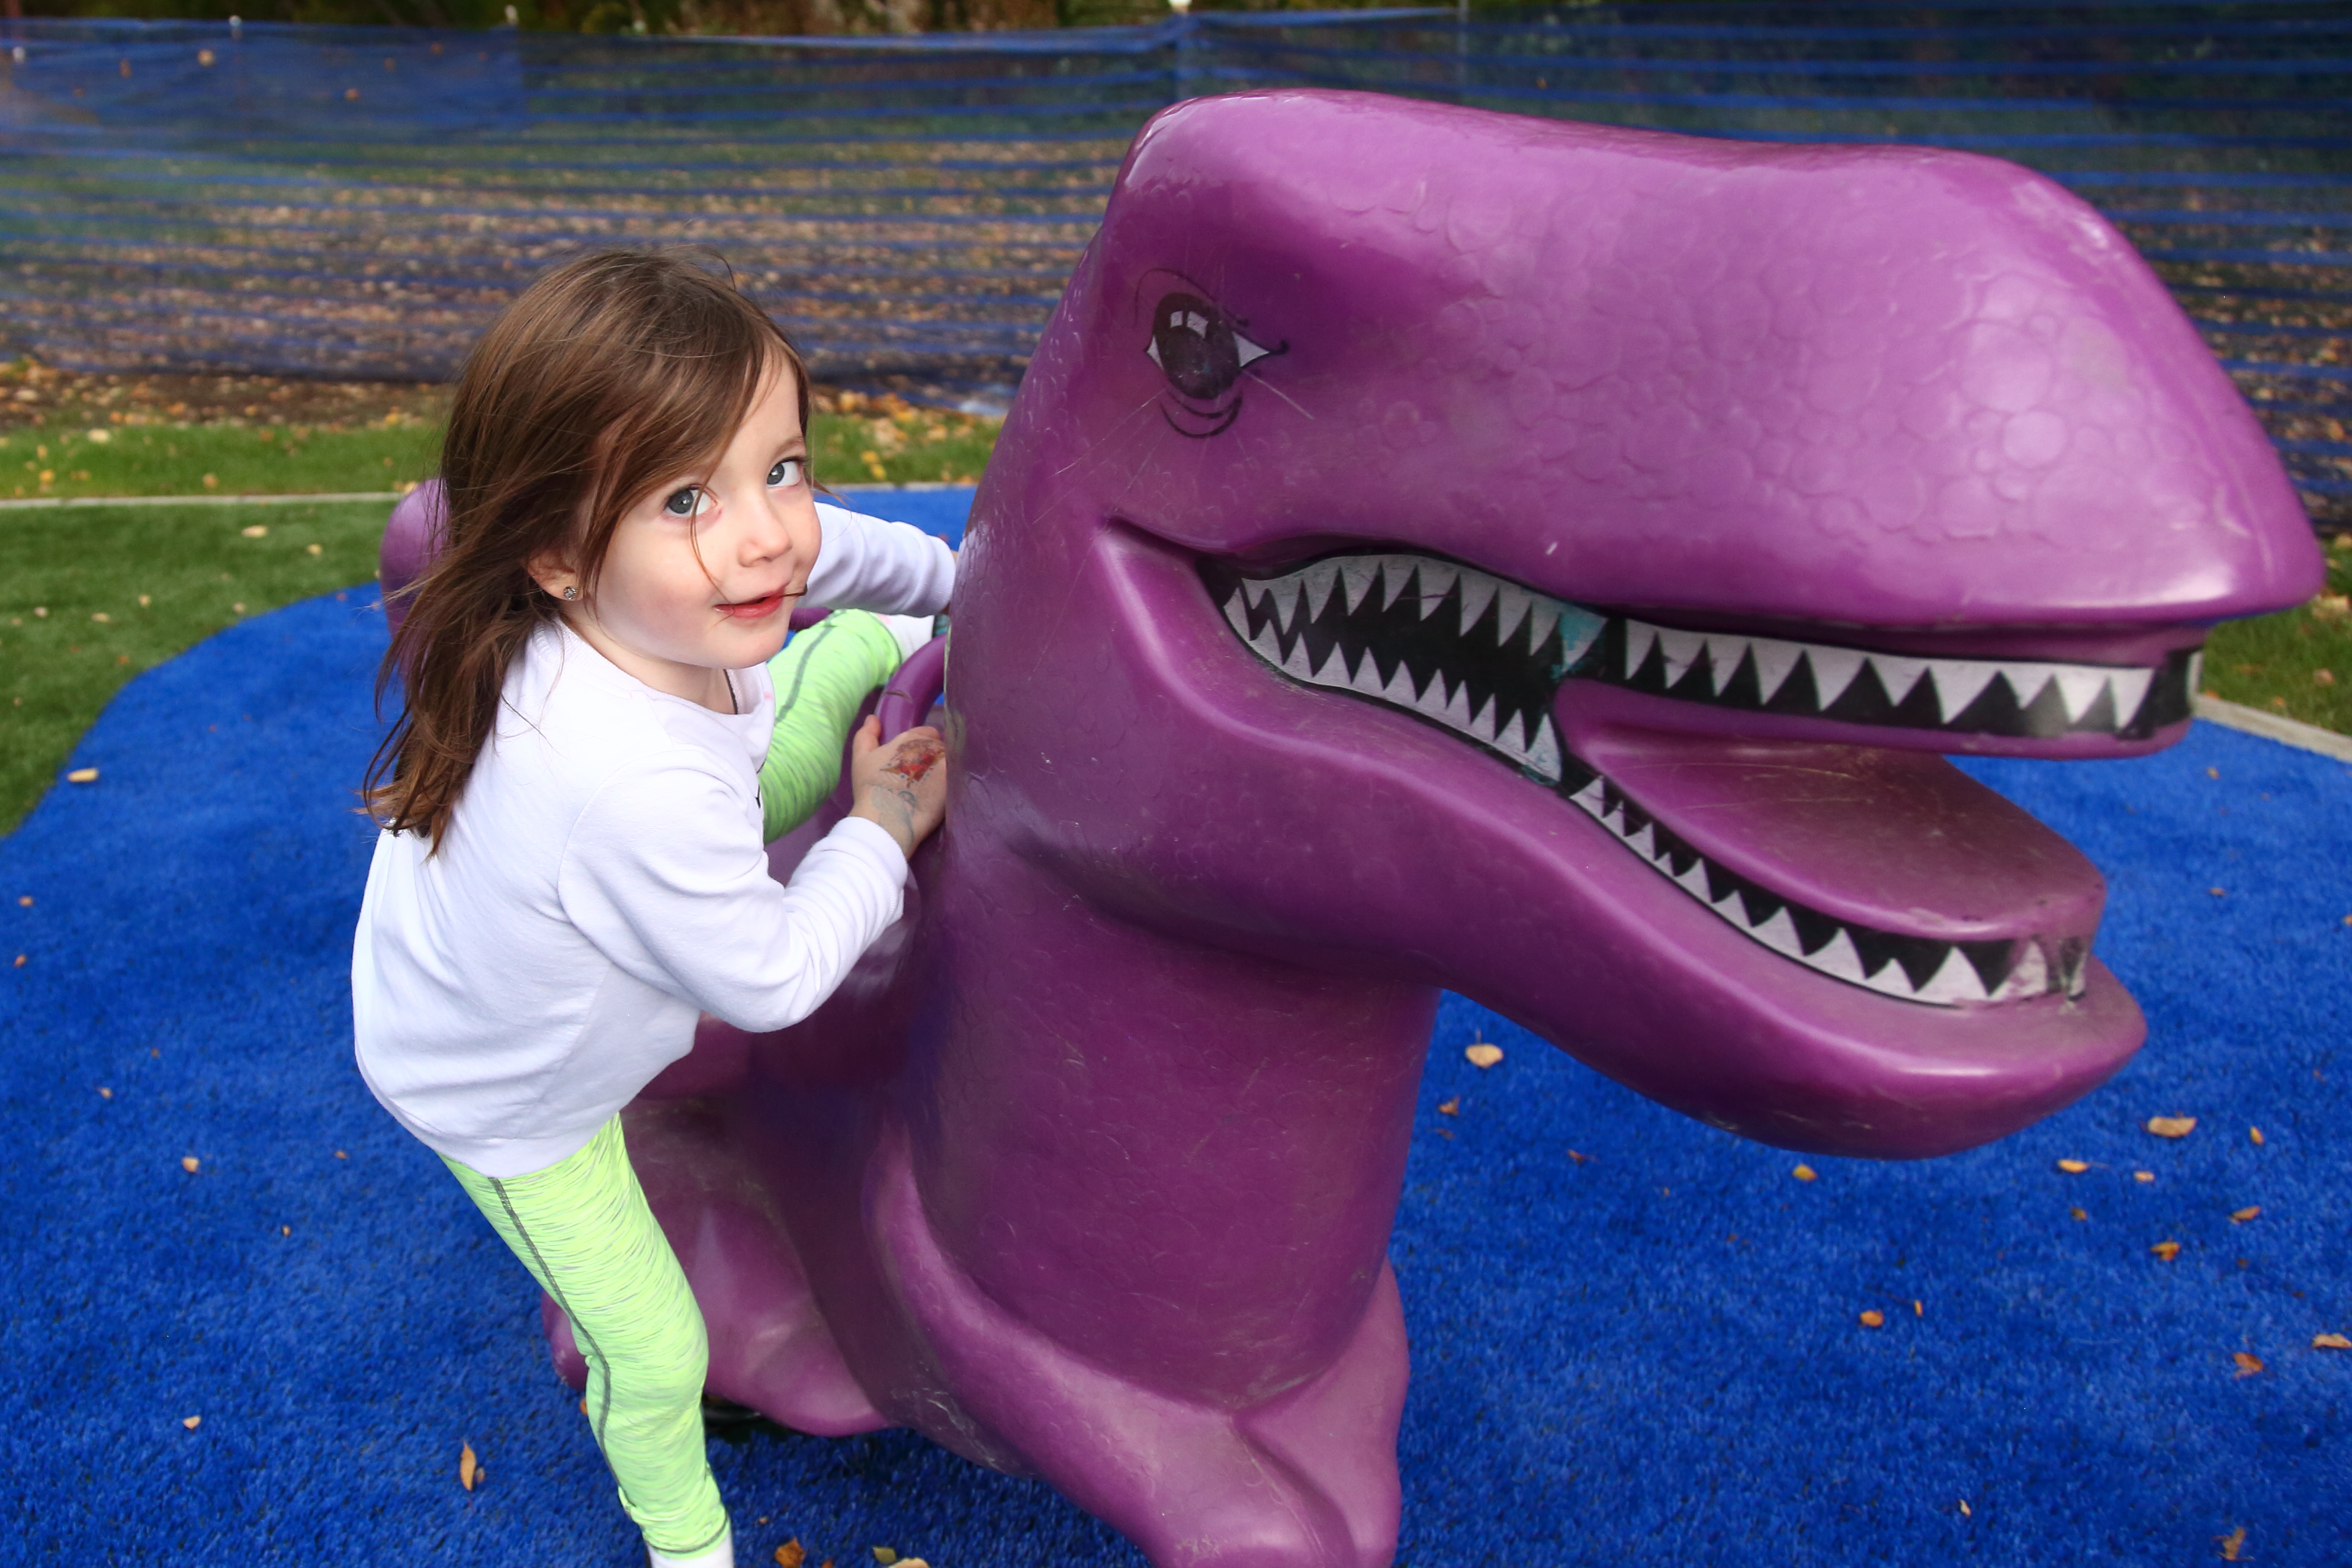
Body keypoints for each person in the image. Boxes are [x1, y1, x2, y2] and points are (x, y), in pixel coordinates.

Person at [350, 250, 955, 1568]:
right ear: (560, 555)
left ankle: (861, 655)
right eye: (689, 496)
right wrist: (882, 828)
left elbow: (831, 546)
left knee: (808, 684)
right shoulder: (620, 783)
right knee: (657, 1344)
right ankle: (686, 1544)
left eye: (780, 465)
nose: (764, 531)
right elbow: (777, 977)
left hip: (600, 873)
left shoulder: (682, 594)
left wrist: (958, 587)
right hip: (507, 1090)